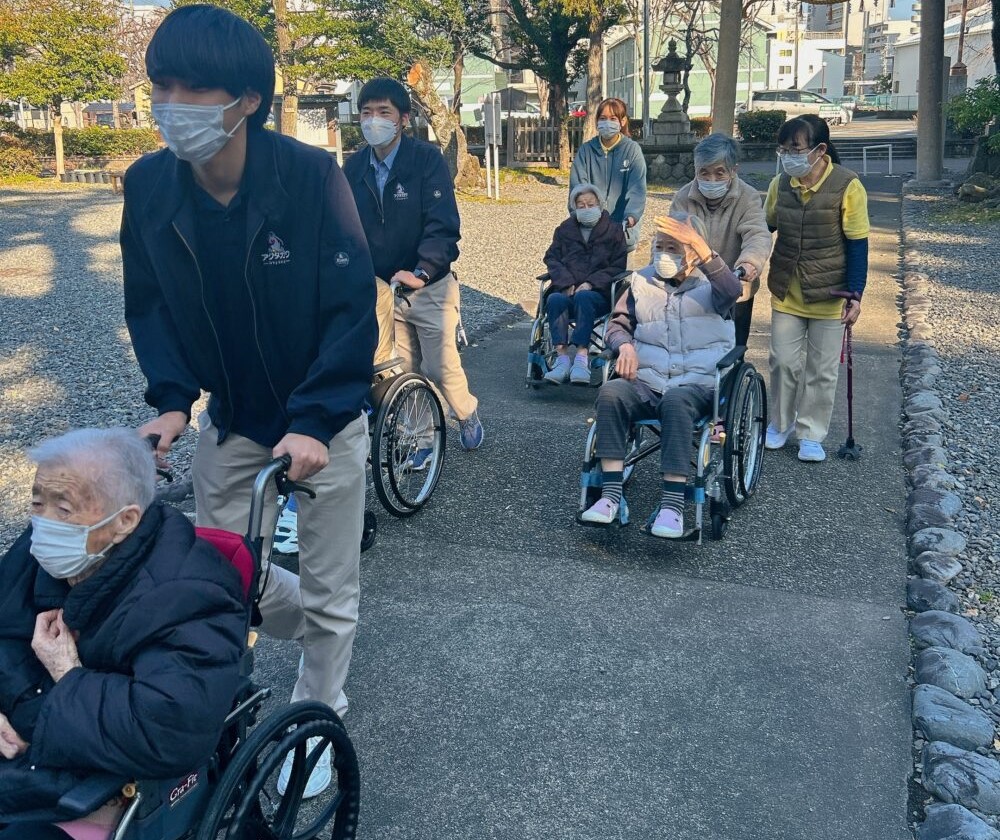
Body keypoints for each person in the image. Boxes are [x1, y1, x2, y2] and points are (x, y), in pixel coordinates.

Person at [120, 5, 376, 798]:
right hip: (232, 419)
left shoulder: (309, 178)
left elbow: (348, 310)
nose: (175, 104)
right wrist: (170, 401)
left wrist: (314, 417)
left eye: (196, 88)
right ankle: (228, 690)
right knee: (218, 577)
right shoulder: (148, 184)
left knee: (331, 588)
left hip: (323, 423)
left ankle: (321, 708)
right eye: (164, 85)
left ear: (247, 100)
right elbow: (152, 304)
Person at [0, 428, 245, 838]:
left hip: (100, 784)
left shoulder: (189, 593)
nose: (41, 524)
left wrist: (68, 674)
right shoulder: (38, 552)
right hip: (30, 756)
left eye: (63, 509)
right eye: (36, 502)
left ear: (126, 520)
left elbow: (166, 729)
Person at [343, 76, 483, 464]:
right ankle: (420, 441)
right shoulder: (353, 168)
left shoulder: (425, 160)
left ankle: (466, 412)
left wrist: (422, 270)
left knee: (440, 366)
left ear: (403, 118)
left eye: (383, 113)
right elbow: (342, 228)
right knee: (397, 371)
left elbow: (443, 224)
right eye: (367, 113)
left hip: (430, 285)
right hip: (381, 290)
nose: (374, 121)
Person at [579, 214, 741, 538]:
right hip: (649, 381)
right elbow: (617, 326)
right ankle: (610, 498)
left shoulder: (715, 286)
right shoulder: (640, 282)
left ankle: (672, 506)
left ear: (695, 252)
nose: (664, 255)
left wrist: (699, 245)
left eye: (675, 247)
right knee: (611, 393)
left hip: (697, 384)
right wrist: (624, 346)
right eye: (660, 246)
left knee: (677, 401)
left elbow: (733, 288)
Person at [764, 114, 869, 463]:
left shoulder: (847, 185)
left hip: (830, 293)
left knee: (822, 369)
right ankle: (780, 423)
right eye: (784, 148)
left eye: (795, 148)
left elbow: (857, 244)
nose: (787, 155)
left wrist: (856, 294)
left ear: (820, 149)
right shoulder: (781, 184)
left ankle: (811, 432)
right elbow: (765, 226)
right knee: (782, 362)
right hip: (787, 290)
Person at [668, 133, 773, 348]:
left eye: (719, 173)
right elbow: (669, 236)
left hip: (734, 285)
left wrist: (750, 262)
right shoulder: (683, 196)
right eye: (704, 173)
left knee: (732, 351)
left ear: (734, 170)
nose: (711, 180)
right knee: (689, 350)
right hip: (692, 287)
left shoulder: (748, 196)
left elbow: (757, 234)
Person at [542, 182, 628, 385]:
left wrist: (590, 283)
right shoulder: (564, 229)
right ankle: (562, 359)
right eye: (581, 205)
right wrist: (566, 283)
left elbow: (617, 266)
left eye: (591, 204)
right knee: (554, 299)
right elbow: (551, 258)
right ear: (574, 208)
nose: (586, 208)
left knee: (584, 297)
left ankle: (581, 359)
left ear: (600, 204)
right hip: (567, 289)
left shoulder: (614, 231)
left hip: (598, 294)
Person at [569, 98, 647, 252]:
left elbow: (637, 189)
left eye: (613, 119)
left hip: (622, 231)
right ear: (597, 121)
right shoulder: (586, 151)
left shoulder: (632, 150)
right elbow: (578, 187)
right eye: (603, 119)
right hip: (591, 230)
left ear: (623, 121)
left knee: (622, 274)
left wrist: (631, 216)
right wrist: (584, 216)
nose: (607, 123)